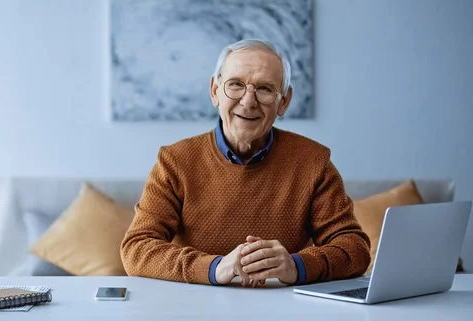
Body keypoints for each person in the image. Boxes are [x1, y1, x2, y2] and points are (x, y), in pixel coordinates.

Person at [120, 39, 371, 287]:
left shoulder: (313, 162)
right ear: (215, 91)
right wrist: (215, 268)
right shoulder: (174, 161)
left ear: (283, 101)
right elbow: (137, 249)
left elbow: (354, 248)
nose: (248, 101)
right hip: (196, 306)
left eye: (264, 89)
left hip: (285, 307)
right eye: (236, 85)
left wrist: (296, 265)